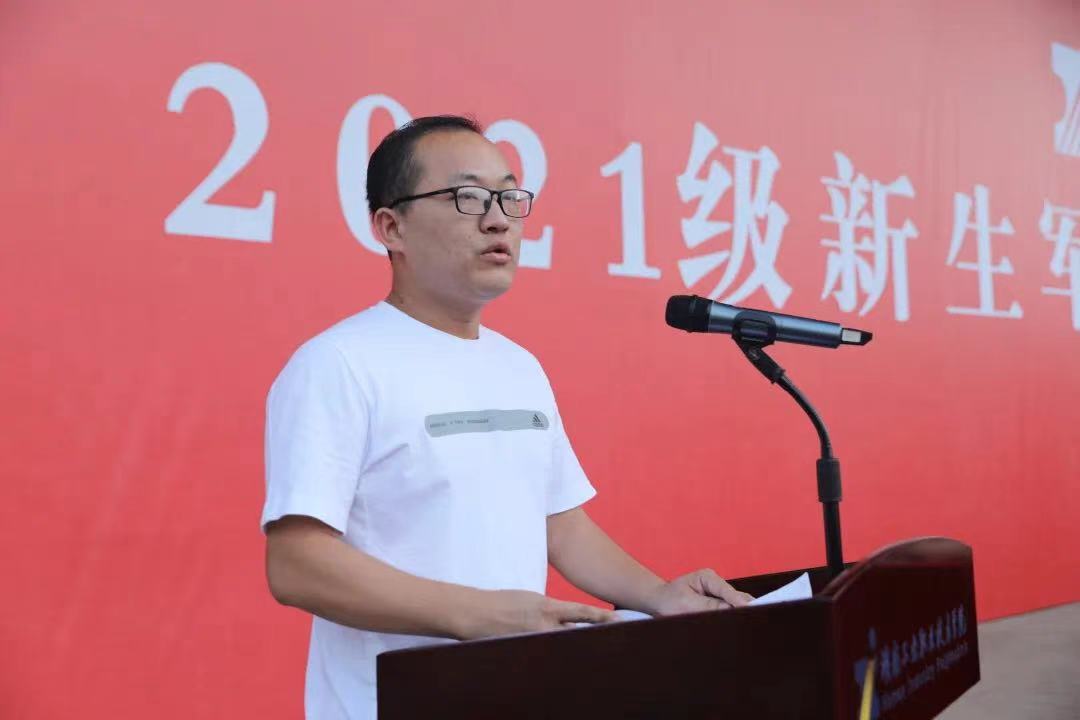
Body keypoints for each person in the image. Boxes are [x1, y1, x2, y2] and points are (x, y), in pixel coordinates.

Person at [261, 115, 752, 719]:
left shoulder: (519, 366)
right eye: (467, 197)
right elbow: (297, 564)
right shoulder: (338, 364)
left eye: (509, 197)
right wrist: (479, 616)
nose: (497, 220)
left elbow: (560, 527)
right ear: (391, 227)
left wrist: (660, 597)